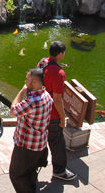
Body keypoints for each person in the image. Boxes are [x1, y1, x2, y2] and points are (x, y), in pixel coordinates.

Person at [36, 41, 77, 181]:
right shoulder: (59, 73)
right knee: (57, 143)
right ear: (60, 54)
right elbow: (57, 99)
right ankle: (59, 171)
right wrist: (62, 116)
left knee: (39, 140)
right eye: (64, 53)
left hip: (39, 111)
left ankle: (35, 166)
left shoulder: (42, 62)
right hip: (51, 114)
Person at [8, 68, 52, 193]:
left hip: (25, 146)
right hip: (39, 144)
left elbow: (13, 111)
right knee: (30, 171)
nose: (25, 82)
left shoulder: (32, 102)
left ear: (35, 82)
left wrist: (21, 92)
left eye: (27, 80)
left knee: (16, 175)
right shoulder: (46, 96)